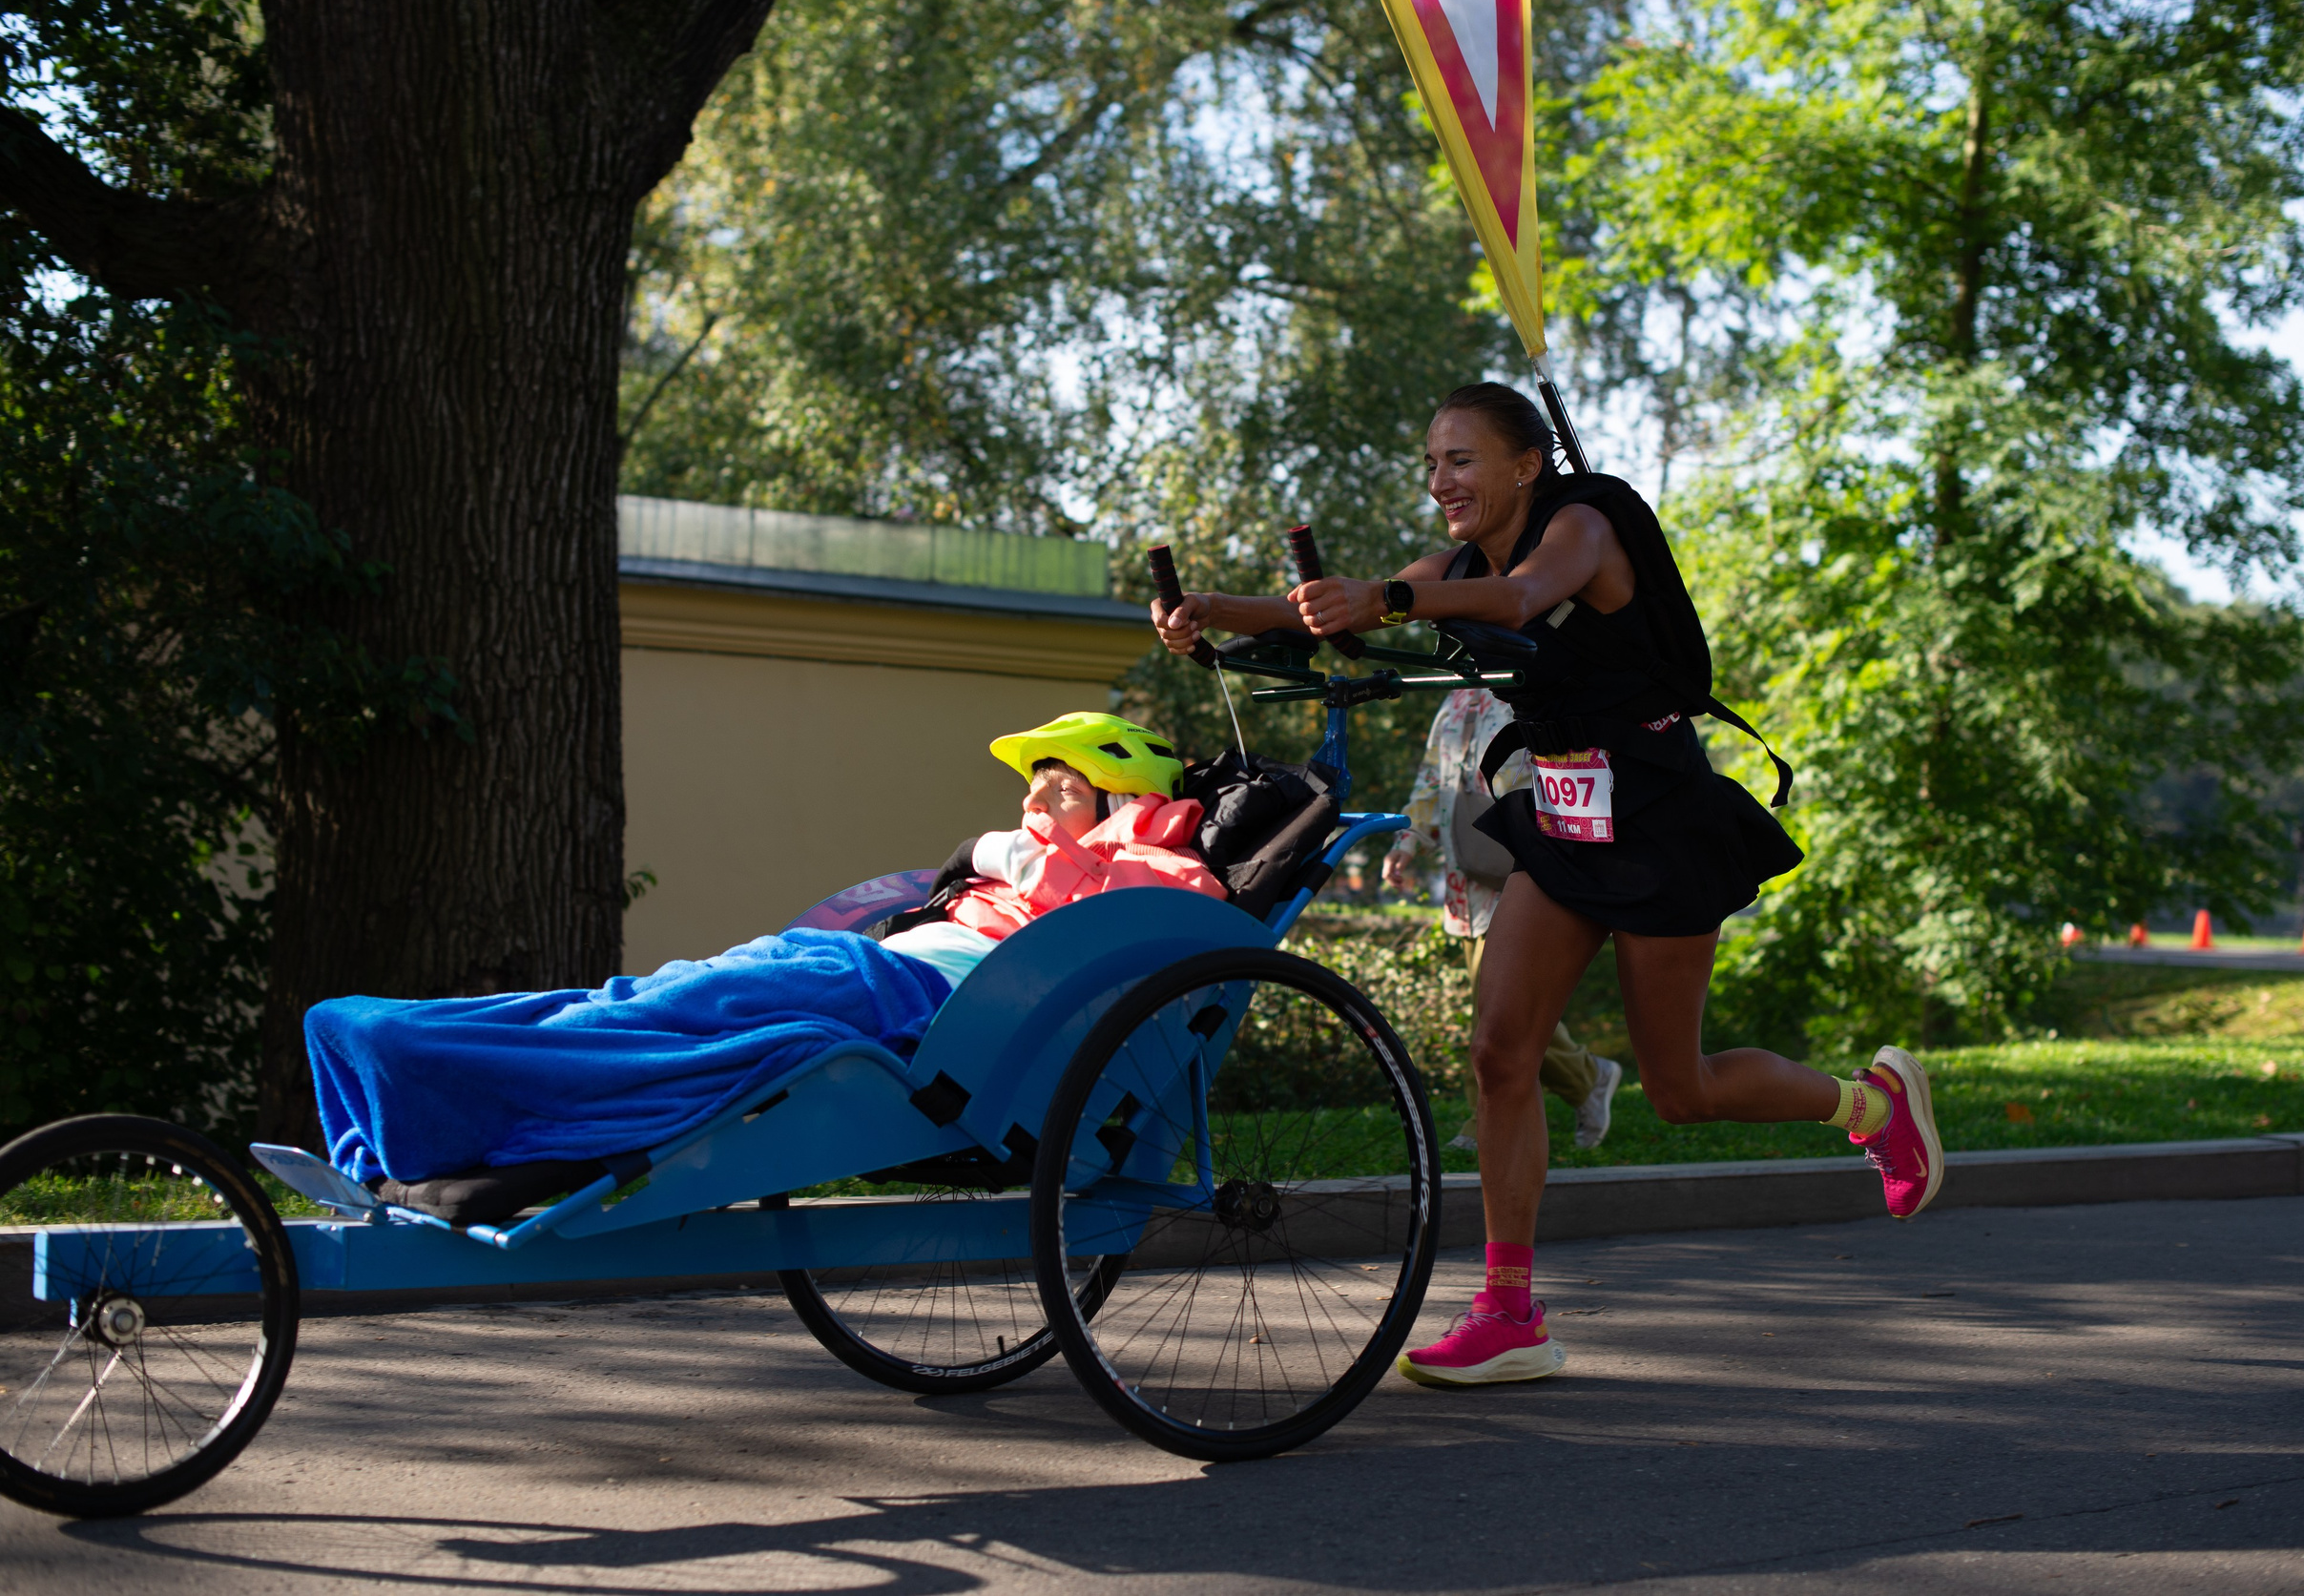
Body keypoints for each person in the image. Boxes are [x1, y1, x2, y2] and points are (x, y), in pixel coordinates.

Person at [1151, 383, 1943, 1389]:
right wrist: (1215, 615)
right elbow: (1339, 618)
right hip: (1567, 817)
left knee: (1680, 1088)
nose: (1441, 480)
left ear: (1525, 463)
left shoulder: (1583, 523)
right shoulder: (1459, 562)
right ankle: (1508, 1309)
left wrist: (1387, 596)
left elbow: (1522, 597)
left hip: (1658, 818)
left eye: (1461, 460)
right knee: (1498, 1051)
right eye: (1432, 462)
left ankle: (1870, 1104)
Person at [306, 714, 1223, 1195]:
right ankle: (409, 1054)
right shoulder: (1067, 853)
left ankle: (423, 1073)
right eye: (1029, 790)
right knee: (658, 995)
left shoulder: (1157, 867)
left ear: (1121, 798)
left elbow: (1135, 930)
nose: (1032, 804)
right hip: (871, 966)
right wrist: (1014, 854)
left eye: (1058, 788)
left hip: (921, 1001)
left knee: (679, 1019)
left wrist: (1016, 854)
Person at [1383, 687, 1623, 1154]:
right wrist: (1406, 844)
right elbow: (1432, 780)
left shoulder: (1532, 692)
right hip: (1466, 878)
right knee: (1495, 1005)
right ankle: (1587, 1077)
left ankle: (1484, 1123)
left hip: (1526, 870)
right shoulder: (1453, 703)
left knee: (1496, 1008)